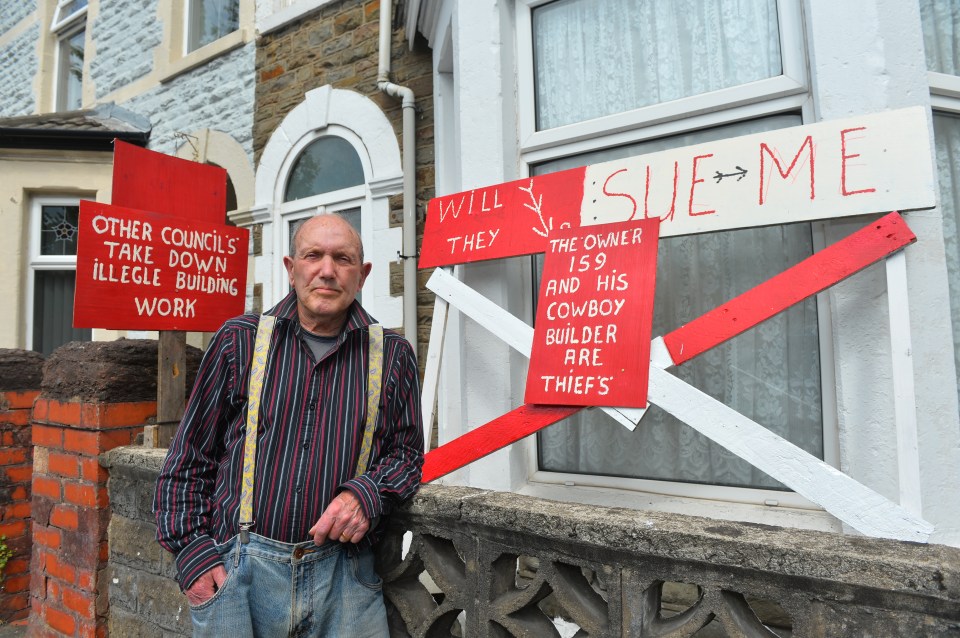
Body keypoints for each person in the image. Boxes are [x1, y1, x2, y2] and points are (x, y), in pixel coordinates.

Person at [154, 213, 424, 637]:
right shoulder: (239, 340)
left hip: (345, 577)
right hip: (238, 572)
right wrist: (192, 555)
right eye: (313, 255)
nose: (327, 270)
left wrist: (366, 494)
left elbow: (407, 455)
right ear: (291, 268)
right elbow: (190, 457)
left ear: (363, 274)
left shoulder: (392, 354)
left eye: (343, 258)